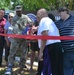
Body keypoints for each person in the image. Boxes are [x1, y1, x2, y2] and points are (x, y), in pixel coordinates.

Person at [4, 5, 32, 75]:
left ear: (21, 11)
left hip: (23, 39)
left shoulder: (25, 17)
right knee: (12, 53)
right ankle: (9, 68)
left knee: (23, 54)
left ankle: (21, 68)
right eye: (17, 11)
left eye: (19, 11)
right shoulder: (14, 19)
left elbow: (31, 23)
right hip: (15, 39)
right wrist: (21, 32)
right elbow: (15, 29)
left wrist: (29, 27)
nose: (18, 12)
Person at [37, 8, 63, 75]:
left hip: (50, 47)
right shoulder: (50, 21)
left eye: (38, 14)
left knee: (48, 70)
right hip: (57, 46)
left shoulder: (43, 20)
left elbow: (45, 35)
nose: (37, 16)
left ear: (43, 14)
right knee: (57, 70)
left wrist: (41, 52)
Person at [56, 7, 74, 75]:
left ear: (65, 11)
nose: (59, 15)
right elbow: (49, 27)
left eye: (60, 13)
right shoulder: (58, 23)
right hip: (65, 52)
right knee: (67, 71)